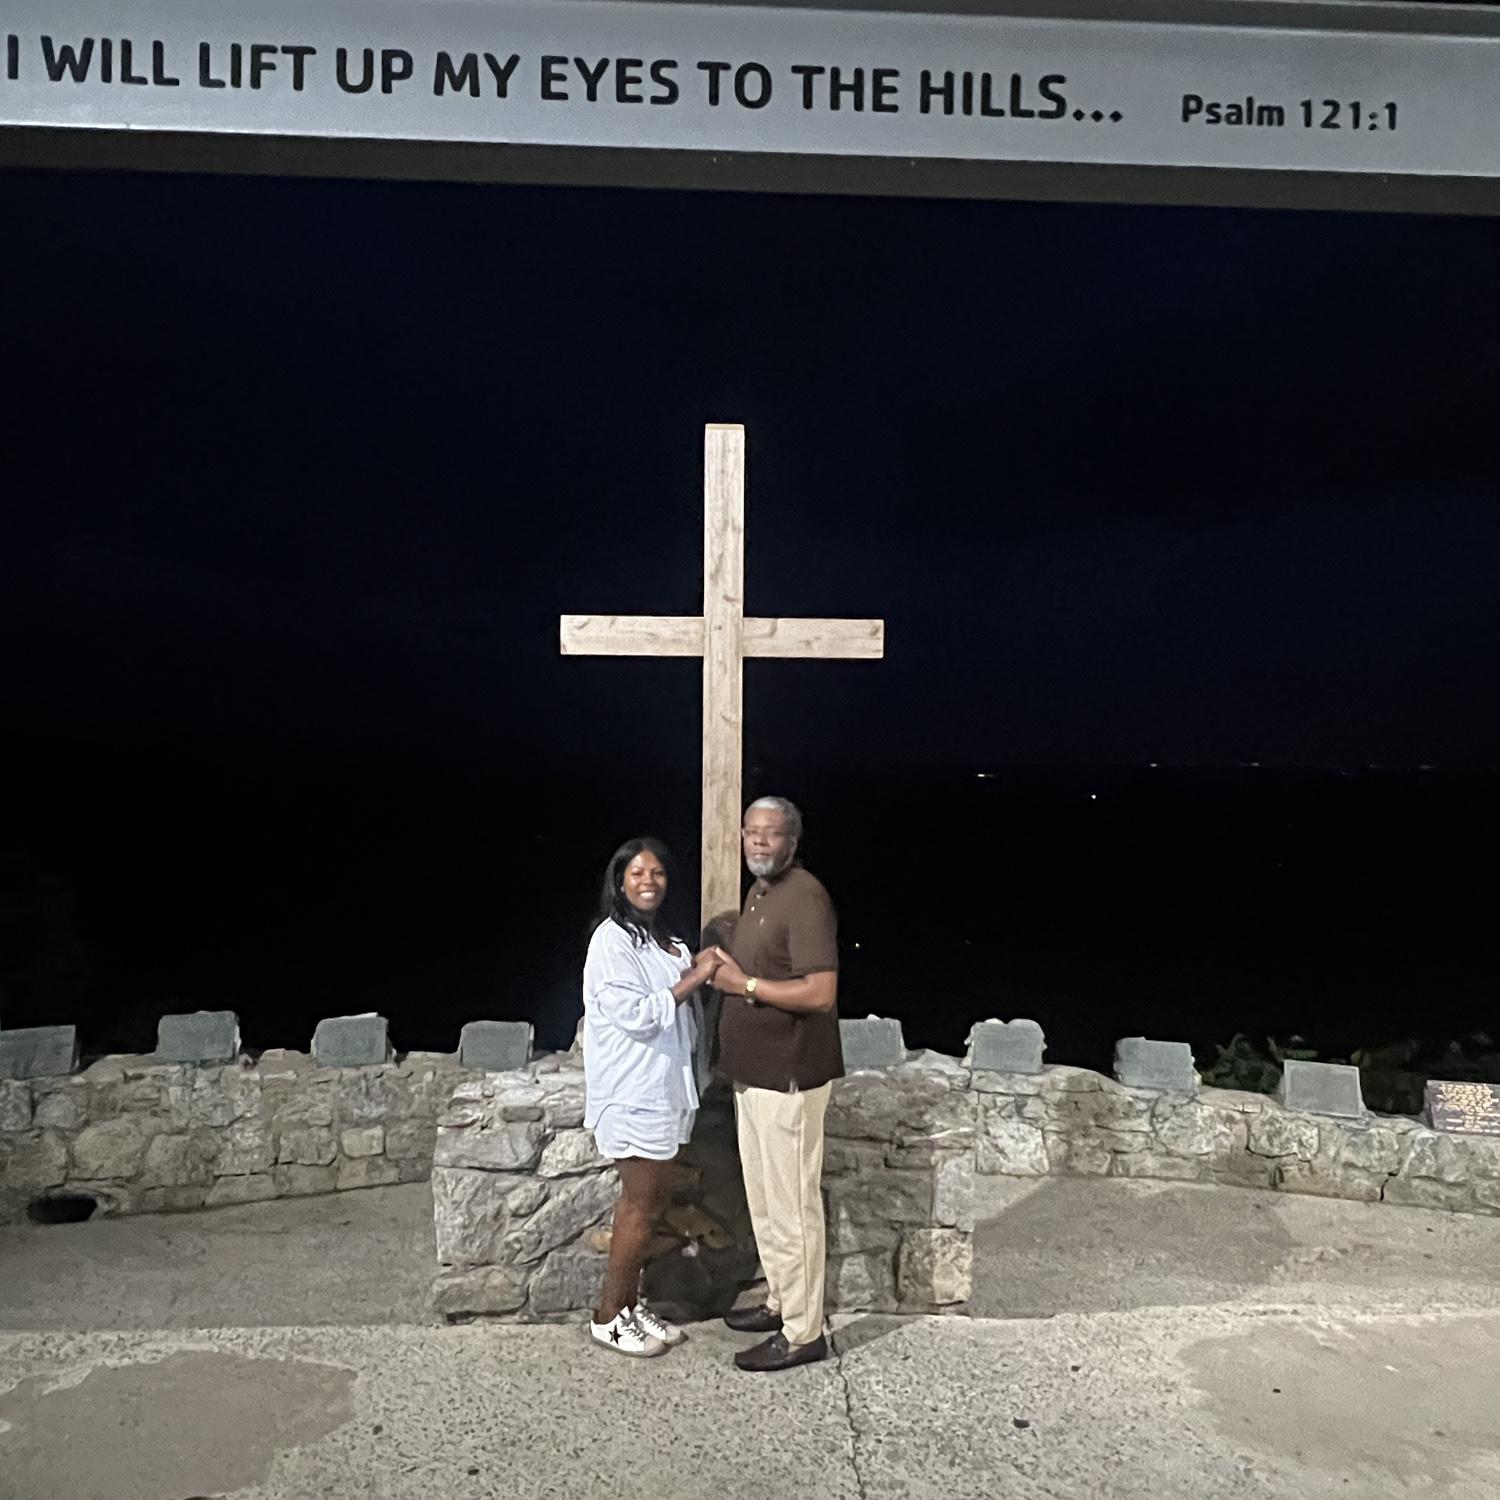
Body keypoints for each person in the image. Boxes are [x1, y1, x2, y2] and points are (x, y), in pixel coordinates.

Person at [712, 796, 843, 1372]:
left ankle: (804, 1333)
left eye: (772, 833)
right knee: (766, 1203)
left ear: (793, 840)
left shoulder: (806, 896)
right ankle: (782, 1302)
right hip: (754, 1074)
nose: (760, 841)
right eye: (752, 832)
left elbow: (820, 992)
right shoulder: (761, 893)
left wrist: (744, 986)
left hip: (789, 1076)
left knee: (793, 1208)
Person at [581, 837, 720, 1358]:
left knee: (654, 1203)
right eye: (637, 873)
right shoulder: (610, 941)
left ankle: (628, 1306)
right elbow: (637, 1014)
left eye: (657, 873)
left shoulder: (662, 939)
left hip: (665, 1091)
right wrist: (697, 977)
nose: (648, 881)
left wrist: (694, 967)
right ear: (620, 882)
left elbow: (677, 1002)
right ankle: (607, 1316)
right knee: (640, 1206)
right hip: (632, 1093)